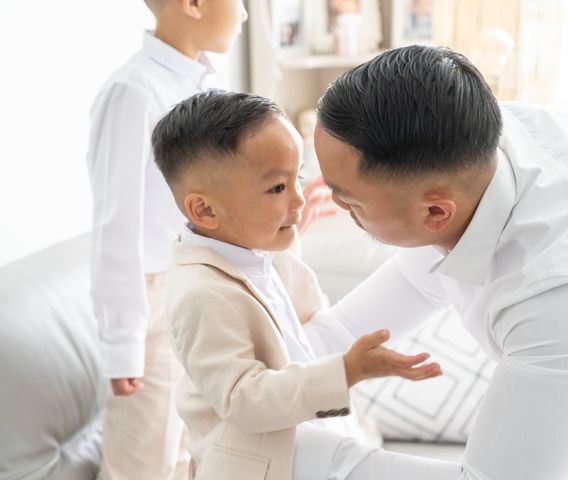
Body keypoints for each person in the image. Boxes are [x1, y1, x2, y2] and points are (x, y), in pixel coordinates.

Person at [304, 45, 568, 479]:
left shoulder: (567, 290)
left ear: (435, 213)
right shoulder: (462, 137)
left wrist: (311, 458)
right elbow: (353, 323)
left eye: (346, 198)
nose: (322, 200)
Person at [151, 89, 461, 480]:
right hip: (262, 461)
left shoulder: (254, 251)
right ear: (206, 210)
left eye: (297, 179)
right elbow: (241, 399)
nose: (297, 200)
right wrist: (345, 371)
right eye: (277, 189)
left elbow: (283, 306)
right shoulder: (202, 295)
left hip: (308, 438)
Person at [86, 1, 249, 478]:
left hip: (204, 292)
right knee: (144, 460)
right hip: (155, 298)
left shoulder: (213, 87)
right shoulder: (132, 92)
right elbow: (116, 226)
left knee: (192, 455)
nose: (243, 14)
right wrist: (123, 342)